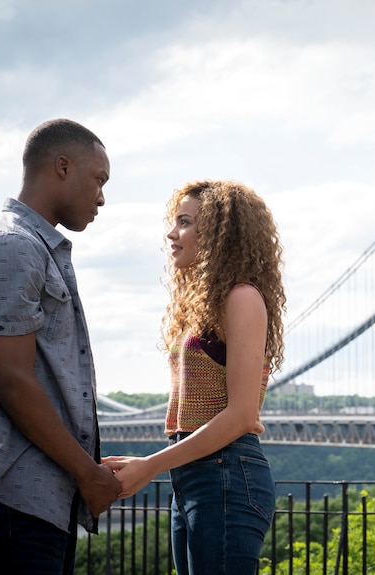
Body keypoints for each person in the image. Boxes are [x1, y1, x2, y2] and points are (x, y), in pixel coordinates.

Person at [0, 118, 121, 575]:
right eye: (98, 180)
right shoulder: (11, 245)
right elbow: (12, 383)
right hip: (10, 486)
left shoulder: (33, 245)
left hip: (35, 489)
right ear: (62, 166)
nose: (101, 197)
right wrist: (88, 472)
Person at [103, 179, 286, 575]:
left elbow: (241, 416)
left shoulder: (241, 298)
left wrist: (149, 465)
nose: (171, 233)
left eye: (184, 222)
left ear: (220, 234)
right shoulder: (205, 305)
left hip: (226, 476)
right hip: (193, 476)